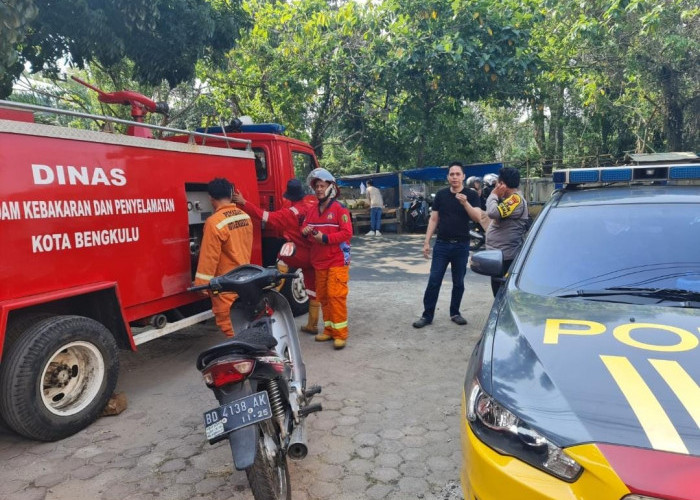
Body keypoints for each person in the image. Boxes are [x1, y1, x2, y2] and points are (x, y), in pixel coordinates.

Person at [232, 179, 321, 334]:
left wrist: (243, 202)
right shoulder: (311, 207)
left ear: (290, 196)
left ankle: (271, 296)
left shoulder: (289, 213)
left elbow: (266, 217)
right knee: (312, 290)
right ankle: (312, 325)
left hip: (298, 252)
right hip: (314, 253)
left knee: (282, 257)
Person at [412, 162, 482, 329]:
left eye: (458, 174)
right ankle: (427, 315)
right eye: (452, 174)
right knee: (434, 280)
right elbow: (434, 219)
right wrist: (427, 241)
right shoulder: (441, 196)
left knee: (458, 282)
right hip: (442, 245)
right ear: (448, 177)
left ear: (463, 176)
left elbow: (477, 217)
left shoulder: (471, 195)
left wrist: (465, 203)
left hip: (461, 245)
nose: (455, 177)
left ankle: (455, 312)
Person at [301, 168, 353, 349]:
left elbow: (347, 233)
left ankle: (340, 334)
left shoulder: (340, 209)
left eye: (322, 186)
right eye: (316, 187)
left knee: (335, 296)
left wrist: (326, 238)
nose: (319, 190)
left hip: (337, 260)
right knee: (323, 296)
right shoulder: (312, 210)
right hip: (319, 261)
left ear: (331, 187)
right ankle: (329, 330)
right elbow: (305, 228)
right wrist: (306, 232)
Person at [194, 178, 253, 337]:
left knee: (231, 328)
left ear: (211, 198)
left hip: (226, 284)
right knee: (245, 321)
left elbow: (209, 256)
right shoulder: (244, 217)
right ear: (231, 194)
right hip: (246, 279)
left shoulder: (214, 222)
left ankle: (242, 357)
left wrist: (202, 285)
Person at [485, 167, 530, 296]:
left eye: (498, 183)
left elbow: (493, 212)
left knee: (502, 295)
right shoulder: (510, 200)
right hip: (500, 256)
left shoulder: (515, 200)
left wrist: (493, 195)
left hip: (506, 257)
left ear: (502, 184)